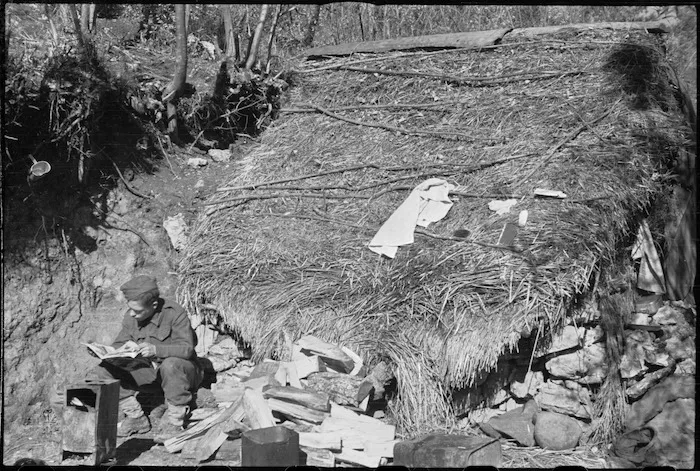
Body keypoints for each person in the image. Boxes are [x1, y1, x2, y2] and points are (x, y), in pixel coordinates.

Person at [86, 274, 203, 443]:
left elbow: (187, 349)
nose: (132, 314)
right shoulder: (131, 317)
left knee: (170, 364)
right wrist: (104, 352)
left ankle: (175, 422)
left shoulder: (175, 313)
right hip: (152, 375)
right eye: (130, 309)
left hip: (183, 374)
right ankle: (136, 418)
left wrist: (156, 349)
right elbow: (119, 344)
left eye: (138, 311)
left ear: (154, 305)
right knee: (103, 370)